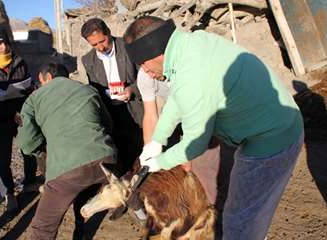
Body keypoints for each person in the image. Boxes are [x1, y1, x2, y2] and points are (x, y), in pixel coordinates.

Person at [124, 16, 304, 240]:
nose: (145, 72)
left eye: (143, 64)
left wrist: (159, 163)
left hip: (272, 139)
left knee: (240, 221)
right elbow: (177, 101)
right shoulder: (190, 45)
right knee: (242, 212)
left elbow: (195, 144)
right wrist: (157, 141)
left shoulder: (192, 75)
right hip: (273, 121)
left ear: (157, 53)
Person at [17, 62, 116, 239]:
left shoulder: (34, 98)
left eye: (41, 82)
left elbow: (27, 143)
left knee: (42, 228)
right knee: (85, 196)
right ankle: (81, 232)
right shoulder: (87, 89)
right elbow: (108, 124)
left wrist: (44, 151)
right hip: (106, 159)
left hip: (68, 169)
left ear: (46, 78)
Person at [137, 68, 221, 204]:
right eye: (143, 67)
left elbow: (196, 123)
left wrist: (186, 158)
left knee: (203, 165)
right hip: (170, 102)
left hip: (201, 109)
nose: (148, 73)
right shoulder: (146, 73)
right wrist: (149, 150)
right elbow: (151, 115)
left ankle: (209, 205)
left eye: (149, 68)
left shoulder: (188, 72)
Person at [0, 28, 38, 212]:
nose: (3, 46)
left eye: (5, 42)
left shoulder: (19, 62)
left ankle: (30, 182)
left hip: (21, 116)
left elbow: (28, 82)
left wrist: (29, 87)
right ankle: (9, 193)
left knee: (29, 150)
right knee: (3, 159)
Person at [81, 18, 143, 173]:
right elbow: (94, 88)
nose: (100, 47)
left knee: (140, 145)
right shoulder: (88, 60)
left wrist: (132, 90)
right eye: (94, 45)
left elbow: (145, 74)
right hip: (110, 112)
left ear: (108, 32)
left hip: (134, 106)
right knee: (119, 149)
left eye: (102, 41)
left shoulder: (128, 47)